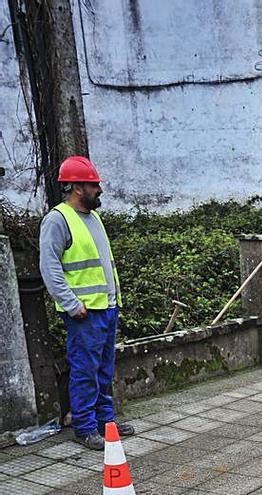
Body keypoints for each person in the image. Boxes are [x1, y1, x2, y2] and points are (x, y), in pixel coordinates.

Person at [39, 156, 134, 450]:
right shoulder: (58, 219)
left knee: (104, 369)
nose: (99, 190)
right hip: (84, 312)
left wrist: (113, 301)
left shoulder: (93, 218)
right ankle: (84, 426)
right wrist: (70, 304)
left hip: (105, 307)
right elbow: (49, 266)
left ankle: (106, 423)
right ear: (78, 187)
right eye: (94, 185)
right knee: (85, 371)